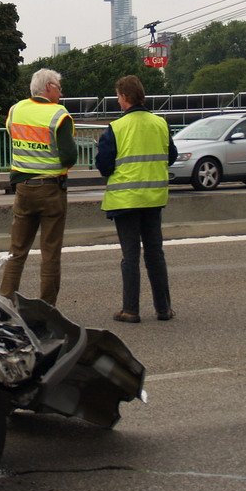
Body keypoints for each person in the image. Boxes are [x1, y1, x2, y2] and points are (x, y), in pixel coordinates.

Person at [95, 75, 178, 323]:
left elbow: (104, 164)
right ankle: (163, 309)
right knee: (155, 253)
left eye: (118, 96)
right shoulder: (160, 123)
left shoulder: (117, 128)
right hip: (153, 198)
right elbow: (170, 156)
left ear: (124, 97)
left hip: (126, 200)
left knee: (130, 255)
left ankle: (131, 310)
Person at [0, 68, 77, 306]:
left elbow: (13, 135)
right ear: (49, 88)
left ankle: (5, 301)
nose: (61, 93)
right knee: (50, 252)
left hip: (23, 188)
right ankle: (47, 308)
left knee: (17, 250)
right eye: (59, 88)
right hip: (51, 190)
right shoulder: (58, 114)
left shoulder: (16, 110)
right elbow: (69, 156)